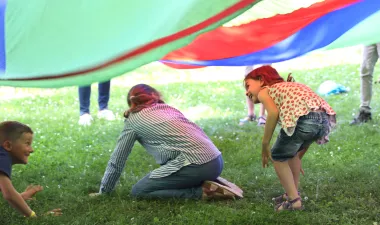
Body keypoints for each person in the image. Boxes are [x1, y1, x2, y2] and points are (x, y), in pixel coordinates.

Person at [95, 84, 242, 200]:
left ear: (131, 103)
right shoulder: (168, 109)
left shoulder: (133, 120)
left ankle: (203, 192)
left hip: (197, 165)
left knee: (139, 191)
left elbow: (117, 160)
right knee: (172, 168)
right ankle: (211, 181)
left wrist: (104, 191)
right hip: (216, 160)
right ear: (155, 96)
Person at [243, 65, 336, 211]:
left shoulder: (264, 91)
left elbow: (272, 114)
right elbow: (311, 116)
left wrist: (265, 143)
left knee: (278, 156)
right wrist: (299, 154)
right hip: (323, 119)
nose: (246, 92)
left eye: (248, 86)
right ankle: (291, 193)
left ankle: (294, 201)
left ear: (261, 80)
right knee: (292, 155)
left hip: (304, 119)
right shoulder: (287, 87)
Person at [0, 121, 62, 218]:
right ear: (8, 146)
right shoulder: (2, 158)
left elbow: (10, 195)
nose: (32, 149)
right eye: (27, 144)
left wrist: (21, 197)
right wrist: (33, 217)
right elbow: (9, 195)